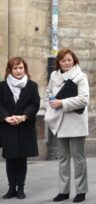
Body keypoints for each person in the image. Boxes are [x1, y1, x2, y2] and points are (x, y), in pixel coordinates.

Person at [44, 48, 89, 203]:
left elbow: (84, 99)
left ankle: (81, 191)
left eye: (69, 60)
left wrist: (61, 102)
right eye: (63, 60)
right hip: (59, 121)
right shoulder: (54, 76)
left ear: (74, 60)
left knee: (78, 158)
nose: (66, 63)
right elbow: (48, 92)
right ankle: (63, 191)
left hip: (76, 121)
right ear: (59, 62)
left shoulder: (81, 77)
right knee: (62, 157)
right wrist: (50, 102)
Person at [0, 57, 40, 199]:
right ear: (10, 70)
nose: (18, 71)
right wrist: (6, 117)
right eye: (15, 68)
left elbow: (35, 104)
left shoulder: (32, 85)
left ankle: (21, 188)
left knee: (21, 158)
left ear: (25, 69)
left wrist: (23, 117)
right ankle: (11, 188)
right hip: (8, 127)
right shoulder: (2, 86)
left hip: (25, 127)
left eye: (21, 68)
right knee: (10, 158)